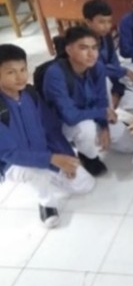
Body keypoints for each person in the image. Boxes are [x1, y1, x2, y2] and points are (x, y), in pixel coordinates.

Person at [0, 44, 95, 228]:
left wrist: (66, 156)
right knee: (33, 174)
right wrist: (51, 159)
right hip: (14, 164)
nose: (20, 77)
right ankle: (47, 204)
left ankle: (48, 176)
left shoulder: (30, 95)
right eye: (11, 72)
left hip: (43, 153)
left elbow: (51, 129)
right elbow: (9, 153)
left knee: (86, 185)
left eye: (23, 69)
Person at [42, 27, 133, 177]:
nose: (91, 54)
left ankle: (91, 139)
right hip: (63, 125)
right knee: (86, 128)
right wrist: (102, 113)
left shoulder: (96, 67)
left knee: (129, 146)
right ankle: (88, 157)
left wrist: (104, 126)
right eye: (83, 48)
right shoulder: (55, 74)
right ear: (69, 50)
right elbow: (70, 116)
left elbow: (101, 99)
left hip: (89, 113)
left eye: (94, 48)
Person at [82, 0, 133, 114]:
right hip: (91, 87)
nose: (107, 26)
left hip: (112, 84)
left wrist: (116, 92)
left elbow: (114, 64)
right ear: (88, 22)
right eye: (101, 22)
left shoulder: (106, 38)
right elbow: (96, 68)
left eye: (109, 21)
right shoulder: (81, 43)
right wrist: (123, 71)